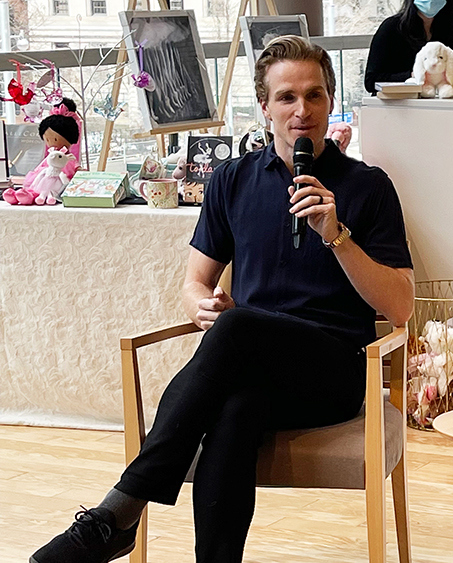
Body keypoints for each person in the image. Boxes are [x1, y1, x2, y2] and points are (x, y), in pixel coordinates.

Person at [31, 35, 415, 563]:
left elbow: (401, 308)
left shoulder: (368, 186)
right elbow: (195, 283)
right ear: (264, 106)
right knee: (235, 411)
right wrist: (199, 306)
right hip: (252, 369)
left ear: (329, 100)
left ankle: (117, 513)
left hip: (333, 372)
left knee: (238, 328)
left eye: (315, 95)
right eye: (287, 97)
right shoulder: (232, 180)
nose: (302, 111)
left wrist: (337, 234)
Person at [364, 0, 453, 94]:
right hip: (396, 106)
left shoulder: (452, 34)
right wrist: (414, 75)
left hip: (439, 106)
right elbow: (371, 81)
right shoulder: (391, 28)